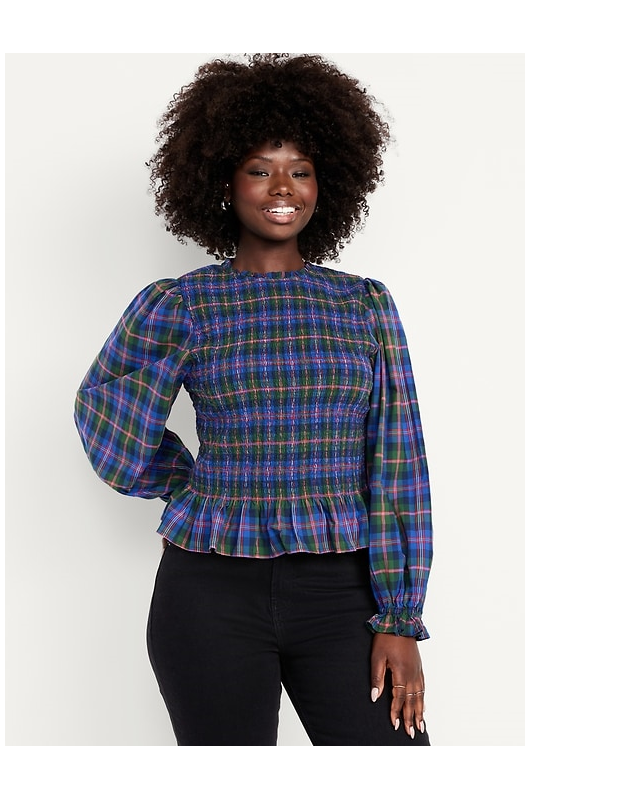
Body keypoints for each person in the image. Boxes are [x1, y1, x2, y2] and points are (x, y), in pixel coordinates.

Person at [74, 53, 433, 747]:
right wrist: (190, 483)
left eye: (301, 170)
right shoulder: (183, 304)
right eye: (260, 169)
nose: (283, 187)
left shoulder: (363, 305)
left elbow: (399, 465)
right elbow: (107, 415)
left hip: (345, 595)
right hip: (209, 595)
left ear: (327, 183)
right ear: (223, 182)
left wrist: (399, 617)